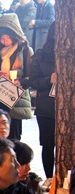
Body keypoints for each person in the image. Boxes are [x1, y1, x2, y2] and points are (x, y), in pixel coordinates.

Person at [0, 13, 33, 140]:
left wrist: (22, 82)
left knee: (13, 136)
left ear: (16, 36)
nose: (4, 41)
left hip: (15, 99)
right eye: (1, 38)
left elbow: (32, 77)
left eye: (8, 38)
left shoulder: (25, 51)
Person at [29, 22, 55, 179]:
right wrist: (49, 80)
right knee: (48, 145)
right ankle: (49, 179)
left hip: (69, 108)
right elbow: (33, 81)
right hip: (46, 108)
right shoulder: (40, 55)